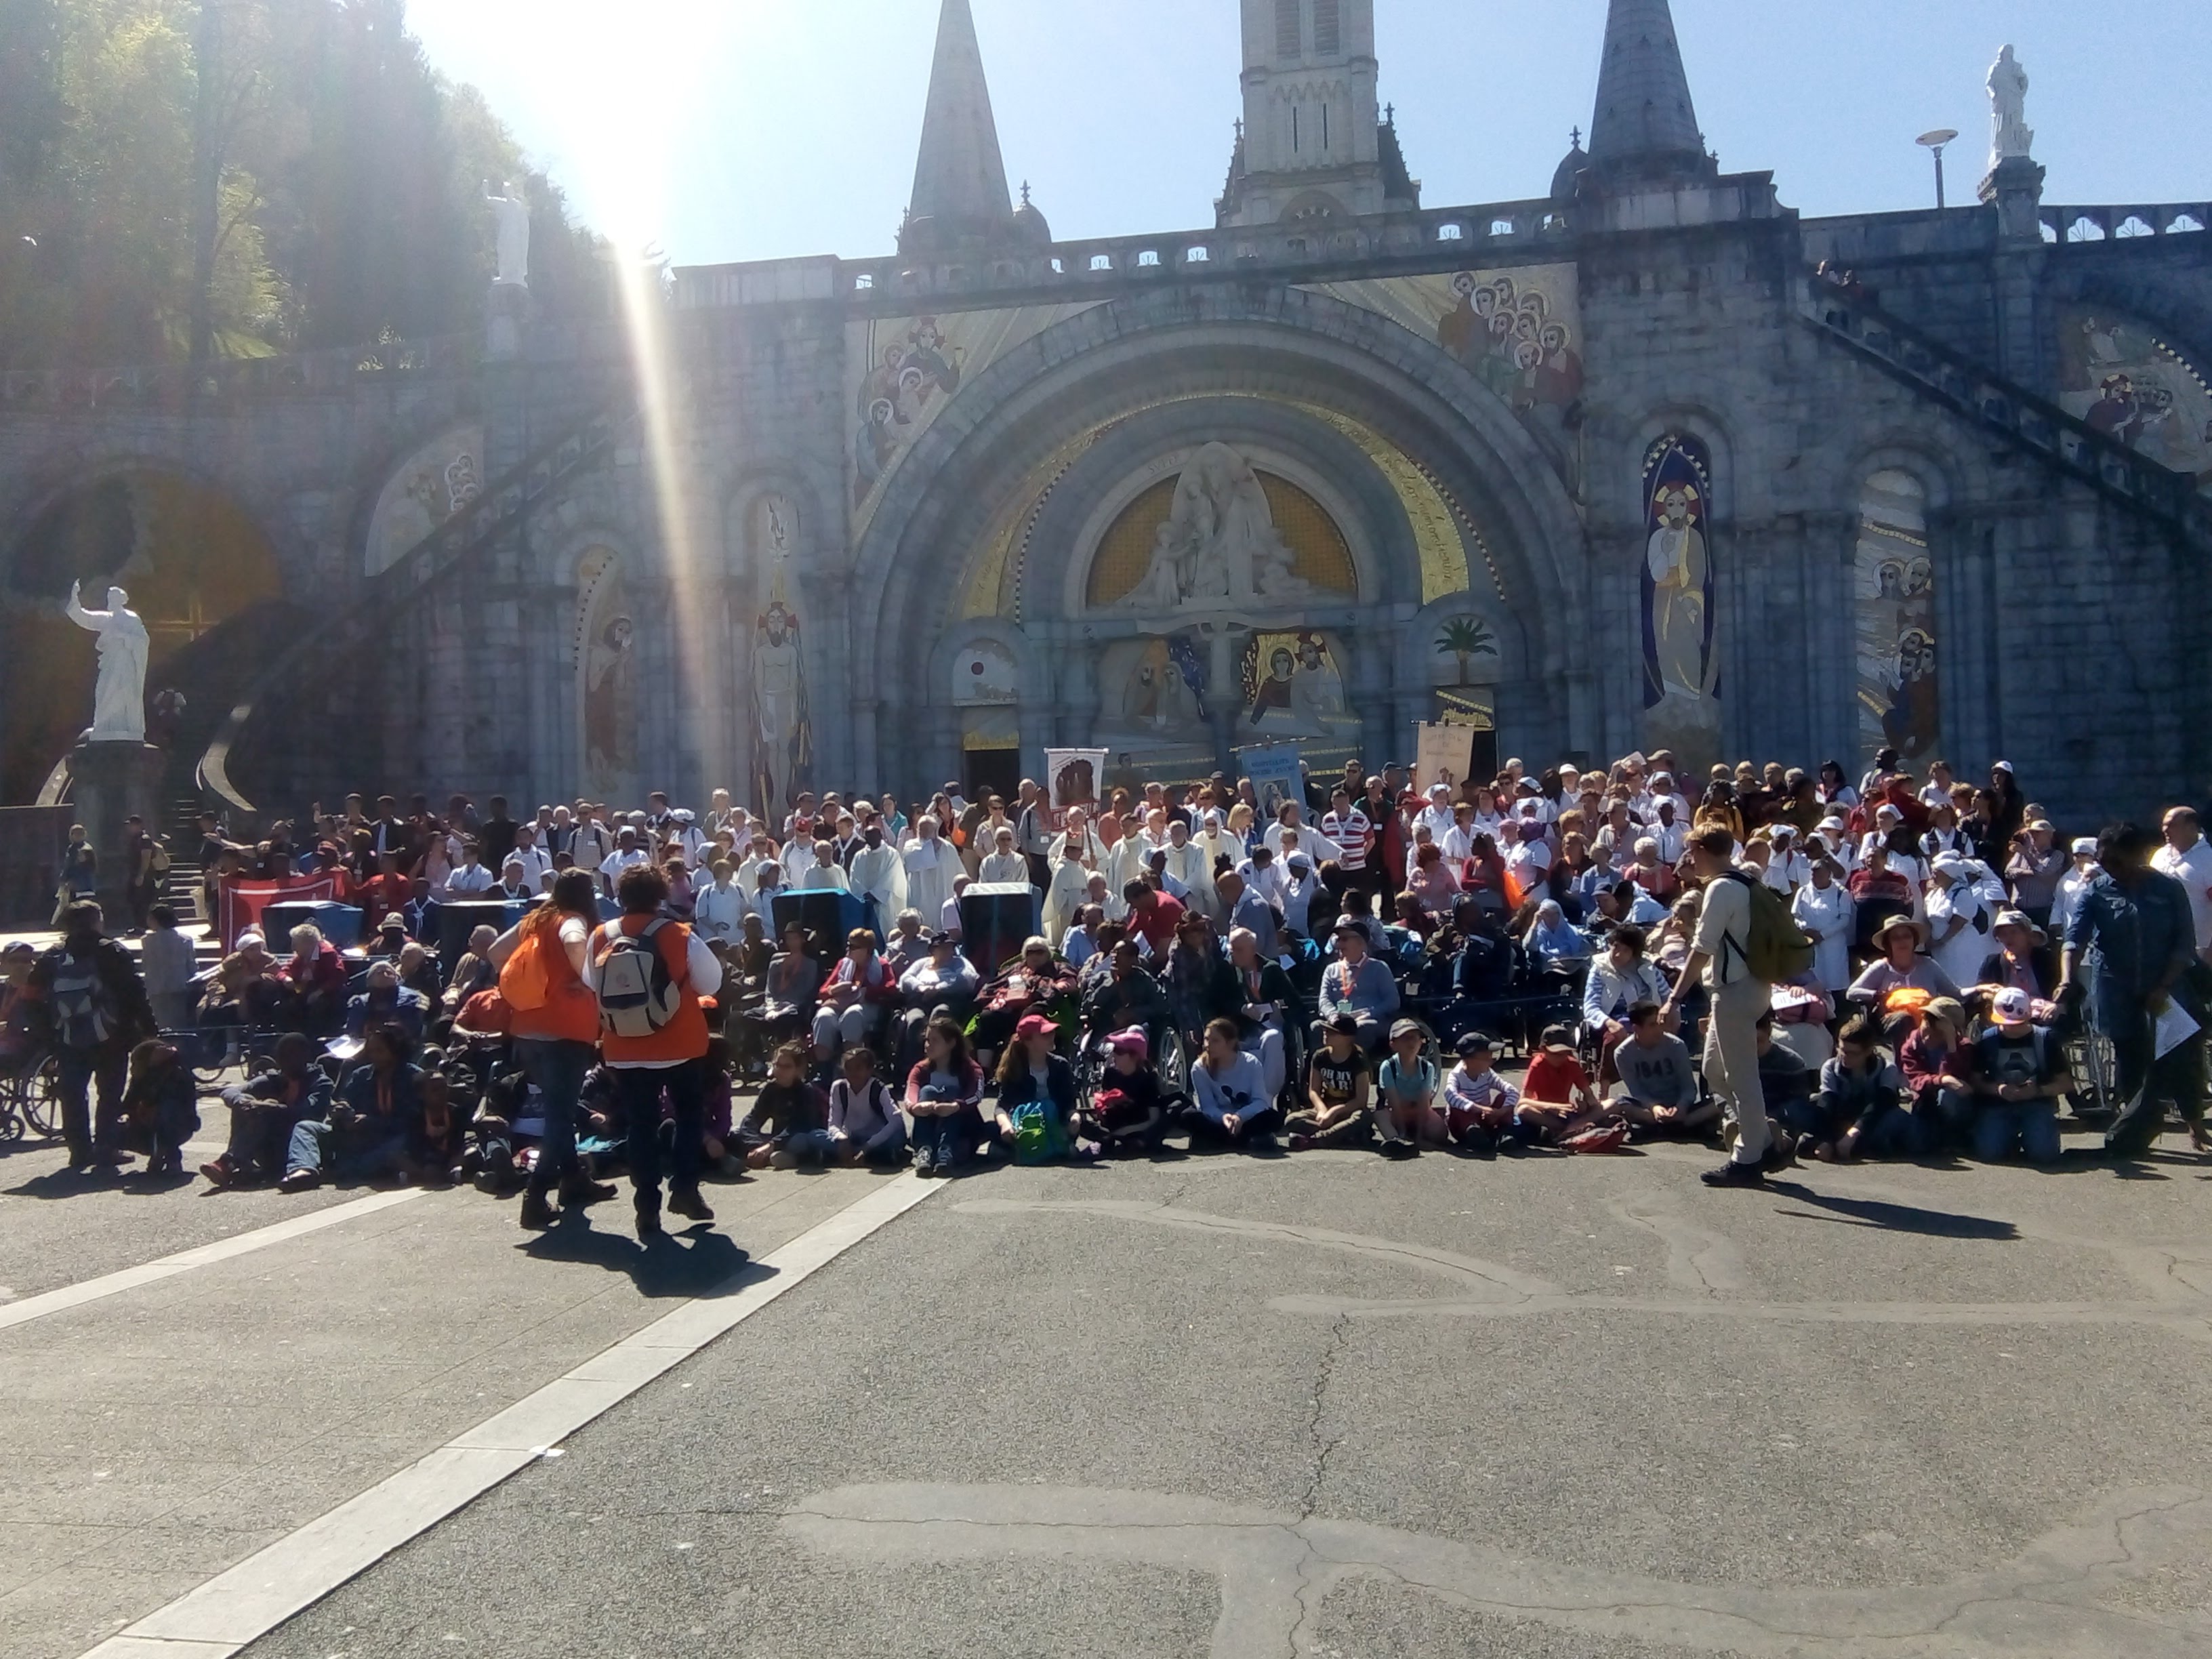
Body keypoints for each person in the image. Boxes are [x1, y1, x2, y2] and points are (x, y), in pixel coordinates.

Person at [586, 863, 724, 1238]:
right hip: (678, 1042)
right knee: (689, 1114)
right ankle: (684, 1188)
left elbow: (589, 982)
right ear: (660, 894)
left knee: (641, 1127)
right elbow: (712, 980)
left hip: (624, 1046)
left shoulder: (601, 936)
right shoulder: (678, 933)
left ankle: (646, 1208)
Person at [2059, 823, 2205, 1159]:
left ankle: (2195, 1124)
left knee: (2181, 1056)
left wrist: (2163, 986)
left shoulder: (2168, 889)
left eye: (2118, 862)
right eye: (2105, 862)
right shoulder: (2097, 891)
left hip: (2167, 986)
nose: (2112, 869)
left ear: (2138, 856)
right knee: (2130, 1057)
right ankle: (2135, 1127)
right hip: (2116, 987)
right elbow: (2074, 939)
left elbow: (2184, 945)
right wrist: (2066, 979)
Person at [489, 870, 618, 1229]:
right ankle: (536, 1195)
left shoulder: (535, 920)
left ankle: (575, 1180)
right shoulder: (572, 921)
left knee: (558, 1110)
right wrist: (586, 978)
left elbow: (495, 951)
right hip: (565, 1030)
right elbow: (576, 942)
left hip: (529, 1028)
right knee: (560, 1118)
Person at [1661, 827, 1784, 1187]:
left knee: (1741, 1077)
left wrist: (1674, 998)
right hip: (1747, 987)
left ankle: (1749, 1156)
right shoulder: (1746, 882)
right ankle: (1761, 1137)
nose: (1689, 860)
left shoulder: (1720, 887)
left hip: (1735, 991)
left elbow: (1703, 947)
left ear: (1701, 850)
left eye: (1692, 853)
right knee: (1715, 1071)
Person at [24, 901, 157, 1170]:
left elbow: (31, 999)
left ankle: (79, 1151)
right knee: (109, 1095)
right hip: (112, 1037)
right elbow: (135, 994)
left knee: (73, 1093)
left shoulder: (52, 957)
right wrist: (148, 1029)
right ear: (97, 921)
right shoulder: (112, 951)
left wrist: (48, 1036)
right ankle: (107, 1148)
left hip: (67, 1037)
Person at [279, 1023, 423, 1191]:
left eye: (380, 1051)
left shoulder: (413, 1076)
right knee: (305, 1127)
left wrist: (371, 1122)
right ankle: (303, 1170)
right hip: (357, 1136)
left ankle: (345, 1170)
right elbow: (344, 1102)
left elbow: (413, 1122)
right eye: (371, 1051)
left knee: (394, 1149)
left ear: (395, 1050)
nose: (374, 1056)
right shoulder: (361, 1074)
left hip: (389, 1138)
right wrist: (341, 1111)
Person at [201, 1032, 333, 1189]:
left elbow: (307, 1112)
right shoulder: (274, 1078)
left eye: (292, 1055)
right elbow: (230, 1092)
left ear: (305, 1056)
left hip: (299, 1147)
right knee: (249, 1106)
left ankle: (229, 1163)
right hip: (269, 1145)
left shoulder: (321, 1083)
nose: (286, 1061)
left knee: (265, 1111)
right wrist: (245, 1102)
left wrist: (272, 1107)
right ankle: (235, 1162)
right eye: (282, 1056)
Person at [1800, 1015, 1926, 1164]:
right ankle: (1837, 1145)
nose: (1845, 1057)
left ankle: (1858, 1145)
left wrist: (1855, 1132)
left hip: (1873, 1119)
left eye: (1853, 1053)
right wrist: (1826, 1139)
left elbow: (1881, 1104)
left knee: (1902, 1124)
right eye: (1842, 1050)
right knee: (1808, 1112)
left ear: (1869, 1051)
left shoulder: (1886, 1068)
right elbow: (1828, 1103)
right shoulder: (1831, 1067)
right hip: (1841, 1117)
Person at [1969, 987, 2069, 1164]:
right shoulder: (1987, 1040)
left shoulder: (2046, 1039)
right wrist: (1998, 1089)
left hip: (2037, 1104)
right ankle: (2009, 1137)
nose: (2011, 1028)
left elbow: (2066, 1083)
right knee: (1989, 1153)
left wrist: (2038, 1091)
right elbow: (1975, 1080)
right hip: (1998, 1105)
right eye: (2006, 1023)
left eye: (2017, 1023)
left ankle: (2033, 1136)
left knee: (2044, 1155)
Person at [992, 1012, 1080, 1163]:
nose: (1052, 1036)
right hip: (1027, 1124)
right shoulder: (1014, 1068)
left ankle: (1027, 1149)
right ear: (1028, 1042)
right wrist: (1005, 1126)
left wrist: (1074, 1117)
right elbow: (1001, 1107)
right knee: (990, 1129)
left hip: (1055, 1121)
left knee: (1085, 1124)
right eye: (1045, 1034)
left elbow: (1068, 1102)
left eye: (1052, 1032)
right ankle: (1041, 1147)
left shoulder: (1060, 1065)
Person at [905, 1016, 985, 1176]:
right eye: (927, 1040)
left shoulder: (969, 1068)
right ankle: (925, 1150)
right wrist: (916, 1107)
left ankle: (946, 1151)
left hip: (961, 1127)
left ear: (951, 1043)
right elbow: (910, 1093)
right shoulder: (921, 1069)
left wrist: (955, 1106)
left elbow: (976, 1094)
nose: (928, 1045)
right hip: (931, 1124)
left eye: (935, 1040)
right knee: (927, 1091)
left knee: (951, 1091)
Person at [811, 928, 897, 1076]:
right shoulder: (843, 964)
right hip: (839, 1004)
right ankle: (824, 1072)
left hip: (869, 1007)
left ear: (866, 950)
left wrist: (864, 992)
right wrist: (834, 990)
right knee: (823, 1017)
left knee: (852, 1015)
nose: (848, 949)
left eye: (853, 947)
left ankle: (852, 1069)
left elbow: (891, 988)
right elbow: (823, 991)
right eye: (848, 945)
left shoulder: (881, 965)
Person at [1284, 1012, 1374, 1151]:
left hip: (1348, 1111)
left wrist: (1334, 1112)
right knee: (1291, 1120)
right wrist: (1322, 1110)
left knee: (1364, 1117)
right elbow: (1314, 1090)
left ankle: (1316, 1139)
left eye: (1332, 1032)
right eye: (1325, 1030)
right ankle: (1342, 1135)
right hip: (1325, 1109)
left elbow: (1361, 1100)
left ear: (1348, 1038)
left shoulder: (1359, 1059)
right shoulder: (1320, 1056)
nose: (1326, 1034)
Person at [1187, 1017, 1280, 1151]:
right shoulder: (1199, 1067)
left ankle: (1222, 1139)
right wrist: (1223, 1117)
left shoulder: (1251, 1063)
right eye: (1206, 1039)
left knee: (1273, 1117)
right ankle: (1242, 1139)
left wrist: (1240, 1116)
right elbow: (1207, 1106)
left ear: (1230, 1043)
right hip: (1219, 1121)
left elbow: (1260, 1101)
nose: (1207, 1045)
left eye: (1215, 1041)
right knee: (1188, 1116)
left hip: (1246, 1119)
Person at [1078, 1025, 1172, 1155]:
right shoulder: (1110, 1074)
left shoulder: (1148, 1078)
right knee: (1079, 1122)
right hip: (1112, 1125)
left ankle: (1118, 1142)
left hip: (1137, 1127)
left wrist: (1125, 1131)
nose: (1114, 1054)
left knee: (1154, 1129)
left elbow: (1153, 1118)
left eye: (1120, 1051)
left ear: (1135, 1056)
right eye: (1114, 1049)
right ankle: (1108, 1140)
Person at [738, 1043, 834, 1170]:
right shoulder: (770, 1089)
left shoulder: (805, 1090)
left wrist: (771, 1145)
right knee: (735, 1132)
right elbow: (752, 1120)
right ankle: (765, 1157)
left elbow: (800, 1125)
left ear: (797, 1069)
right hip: (776, 1141)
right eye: (777, 1065)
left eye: (787, 1067)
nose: (780, 1070)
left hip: (795, 1137)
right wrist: (756, 1146)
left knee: (802, 1139)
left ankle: (799, 1158)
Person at [1845, 917, 1961, 1015]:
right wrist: (1879, 995)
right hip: (1893, 1024)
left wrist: (1977, 989)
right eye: (1896, 938)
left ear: (1914, 940)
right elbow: (1851, 993)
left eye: (1907, 936)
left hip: (1928, 1024)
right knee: (1902, 1019)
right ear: (1888, 944)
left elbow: (1955, 993)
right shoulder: (1881, 967)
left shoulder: (1929, 964)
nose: (1902, 941)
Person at [117, 1038, 199, 1176]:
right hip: (146, 1125)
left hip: (178, 1126)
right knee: (115, 1126)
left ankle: (171, 1157)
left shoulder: (178, 1074)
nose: (133, 1067)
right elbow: (128, 1103)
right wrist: (126, 1115)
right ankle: (155, 1153)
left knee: (166, 1114)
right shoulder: (141, 1077)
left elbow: (175, 1106)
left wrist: (148, 1108)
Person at [1317, 919, 1399, 1052]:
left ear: (1361, 942)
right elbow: (1324, 1000)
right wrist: (1334, 1016)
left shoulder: (1379, 968)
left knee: (1362, 1028)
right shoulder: (1331, 970)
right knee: (1316, 1027)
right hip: (1338, 1020)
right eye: (1338, 940)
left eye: (1344, 939)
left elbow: (1393, 1001)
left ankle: (1358, 1068)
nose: (1339, 945)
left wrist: (1368, 1013)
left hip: (1368, 1020)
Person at [1374, 1018, 1447, 1159]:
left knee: (1440, 1132)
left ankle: (1415, 1137)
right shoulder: (1388, 1067)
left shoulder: (1427, 1068)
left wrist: (1419, 1137)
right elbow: (1393, 1103)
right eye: (1405, 1038)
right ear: (1393, 1044)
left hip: (1418, 1111)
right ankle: (1396, 1140)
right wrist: (1402, 1132)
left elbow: (1424, 1103)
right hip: (1395, 1112)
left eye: (1416, 1038)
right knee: (1380, 1115)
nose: (1412, 1042)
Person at [1440, 1031, 1518, 1155]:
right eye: (1488, 1057)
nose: (1492, 1061)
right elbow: (1450, 1095)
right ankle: (1474, 1135)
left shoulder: (1487, 1073)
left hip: (1485, 1119)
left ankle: (1503, 1134)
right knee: (1461, 1098)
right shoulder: (1456, 1075)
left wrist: (1500, 1112)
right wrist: (1480, 1109)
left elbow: (1512, 1091)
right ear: (1470, 1059)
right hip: (1462, 1124)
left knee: (1503, 1097)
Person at [828, 1047, 909, 1167]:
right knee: (819, 1139)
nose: (853, 1073)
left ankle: (871, 1154)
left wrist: (868, 1147)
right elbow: (833, 1123)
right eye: (848, 1069)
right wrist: (842, 1138)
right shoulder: (839, 1088)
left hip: (876, 1138)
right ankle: (870, 1155)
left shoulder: (877, 1088)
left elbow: (896, 1120)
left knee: (896, 1139)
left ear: (869, 1070)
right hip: (851, 1137)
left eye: (858, 1068)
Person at [140, 903, 197, 1032]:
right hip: (179, 985)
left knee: (162, 1025)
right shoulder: (186, 940)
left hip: (156, 988)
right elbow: (192, 965)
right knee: (180, 1025)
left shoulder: (147, 941)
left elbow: (145, 964)